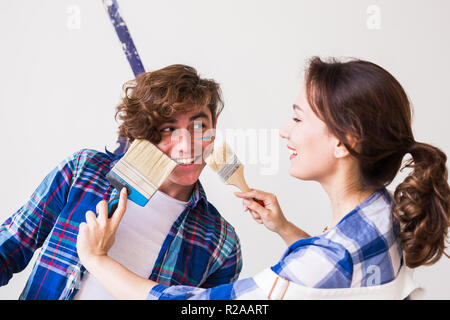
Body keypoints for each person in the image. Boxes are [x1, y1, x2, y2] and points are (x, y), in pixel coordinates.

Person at [76, 57, 450, 300]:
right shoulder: (381, 213)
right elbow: (340, 277)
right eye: (168, 127)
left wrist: (97, 260)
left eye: (299, 118)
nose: (284, 131)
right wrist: (285, 228)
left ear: (344, 142)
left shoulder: (231, 246)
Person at [0, 64, 242, 300]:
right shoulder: (83, 171)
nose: (186, 144)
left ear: (214, 127)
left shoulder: (221, 242)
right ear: (144, 132)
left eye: (198, 127)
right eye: (169, 128)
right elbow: (8, 248)